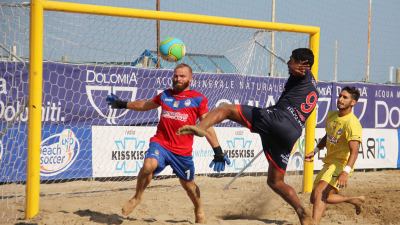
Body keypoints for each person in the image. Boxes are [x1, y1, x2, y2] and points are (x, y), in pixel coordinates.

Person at [178, 48, 318, 225]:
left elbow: (302, 72)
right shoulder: (312, 82)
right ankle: (302, 212)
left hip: (278, 119)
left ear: (303, 65)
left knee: (226, 109)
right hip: (292, 132)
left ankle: (200, 127)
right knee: (275, 181)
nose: (288, 63)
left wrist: (301, 71)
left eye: (291, 60)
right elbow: (303, 74)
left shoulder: (303, 75)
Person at [106, 63, 230, 223]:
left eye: (182, 76)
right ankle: (137, 197)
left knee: (189, 186)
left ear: (190, 79)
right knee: (148, 165)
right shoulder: (165, 95)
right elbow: (145, 105)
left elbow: (207, 126)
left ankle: (198, 208)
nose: (178, 78)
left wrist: (218, 151)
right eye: (175, 75)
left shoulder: (198, 98)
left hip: (182, 152)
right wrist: (122, 104)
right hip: (161, 143)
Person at [305, 86, 365, 225]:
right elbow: (328, 136)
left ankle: (314, 223)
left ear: (353, 102)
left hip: (340, 164)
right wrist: (314, 151)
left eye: (345, 97)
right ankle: (353, 199)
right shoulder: (332, 115)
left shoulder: (352, 123)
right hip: (329, 162)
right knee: (314, 198)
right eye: (340, 96)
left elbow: (354, 151)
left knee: (320, 193)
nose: (340, 99)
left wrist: (345, 172)